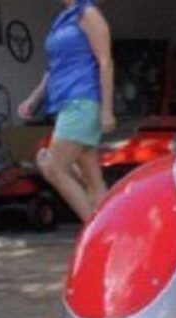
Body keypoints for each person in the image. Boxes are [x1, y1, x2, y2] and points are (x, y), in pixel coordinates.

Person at [18, 0, 115, 222]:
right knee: (92, 179)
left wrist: (107, 110)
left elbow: (105, 62)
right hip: (64, 102)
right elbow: (54, 67)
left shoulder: (89, 13)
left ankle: (95, 231)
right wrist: (34, 98)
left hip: (82, 100)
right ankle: (109, 230)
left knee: (53, 167)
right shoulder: (63, 19)